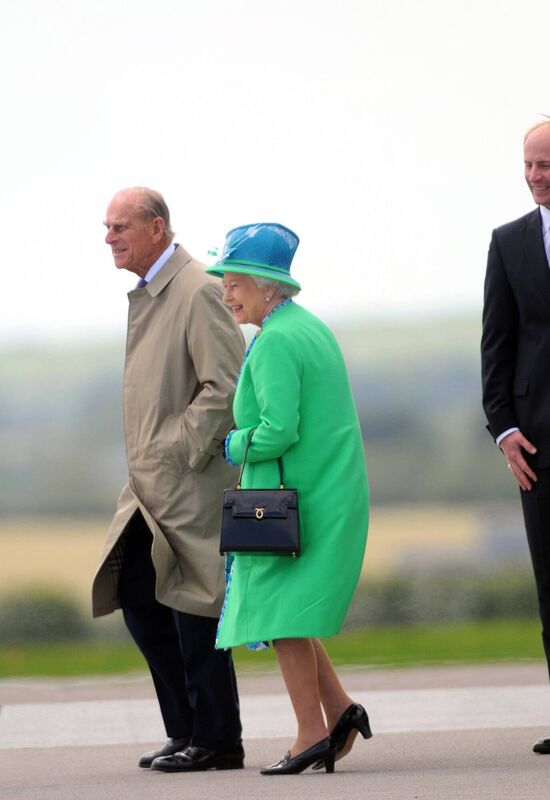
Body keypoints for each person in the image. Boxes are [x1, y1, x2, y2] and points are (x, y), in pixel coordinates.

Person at [203, 222, 371, 775]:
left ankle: (310, 734)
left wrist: (232, 443)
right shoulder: (306, 326)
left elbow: (277, 430)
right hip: (322, 493)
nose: (226, 292)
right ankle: (340, 711)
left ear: (268, 286)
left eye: (233, 282)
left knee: (282, 617)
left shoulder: (274, 340)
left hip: (289, 502)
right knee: (289, 611)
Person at [92, 187, 245, 772]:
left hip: (189, 480)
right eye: (106, 228)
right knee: (136, 593)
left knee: (194, 606)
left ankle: (216, 741)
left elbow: (224, 386)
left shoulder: (197, 289)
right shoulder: (152, 291)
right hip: (149, 486)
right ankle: (186, 731)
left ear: (157, 228)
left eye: (120, 226)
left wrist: (178, 449)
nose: (109, 237)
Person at [481, 120, 550, 755]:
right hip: (539, 449)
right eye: (528, 164)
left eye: (546, 164)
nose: (535, 174)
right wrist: (503, 430)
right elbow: (496, 346)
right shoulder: (508, 243)